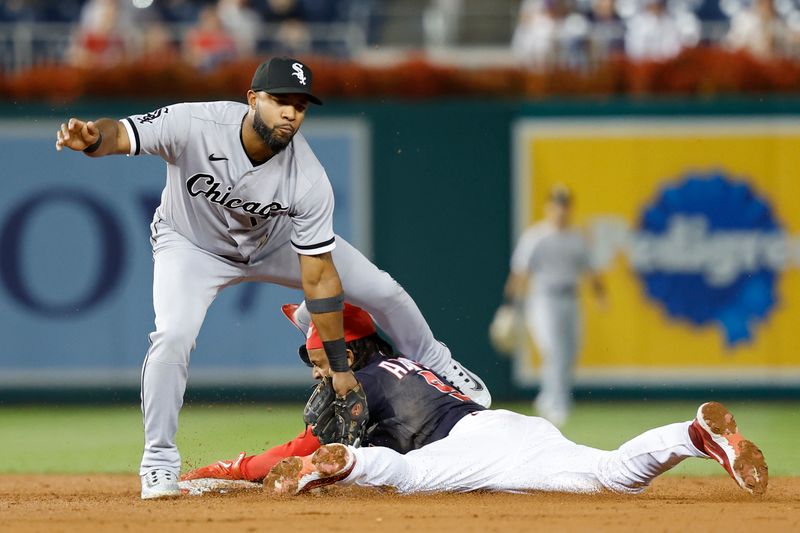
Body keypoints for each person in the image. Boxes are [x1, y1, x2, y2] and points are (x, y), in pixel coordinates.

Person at [55, 57, 490, 499]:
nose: (290, 113)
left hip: (276, 242)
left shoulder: (308, 176)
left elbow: (320, 279)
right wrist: (92, 140)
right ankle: (159, 463)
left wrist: (340, 369)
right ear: (252, 99)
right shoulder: (195, 122)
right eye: (280, 101)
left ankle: (436, 362)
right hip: (191, 245)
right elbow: (122, 133)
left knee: (382, 289)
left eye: (300, 106)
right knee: (172, 335)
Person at [182, 303, 768, 498]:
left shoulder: (355, 382)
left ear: (347, 351)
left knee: (403, 476)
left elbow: (295, 444)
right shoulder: (408, 362)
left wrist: (224, 470)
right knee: (611, 475)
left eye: (322, 358)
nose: (318, 370)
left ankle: (342, 467)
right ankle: (691, 435)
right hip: (510, 427)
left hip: (461, 450)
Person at [504, 185, 605, 427]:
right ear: (548, 207)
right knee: (554, 350)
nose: (560, 210)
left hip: (571, 299)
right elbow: (520, 272)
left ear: (570, 208)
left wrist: (601, 295)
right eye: (556, 204)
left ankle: (547, 398)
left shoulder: (577, 238)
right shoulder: (536, 236)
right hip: (543, 300)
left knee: (570, 352)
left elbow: (591, 269)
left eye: (564, 204)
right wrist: (508, 305)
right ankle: (558, 404)